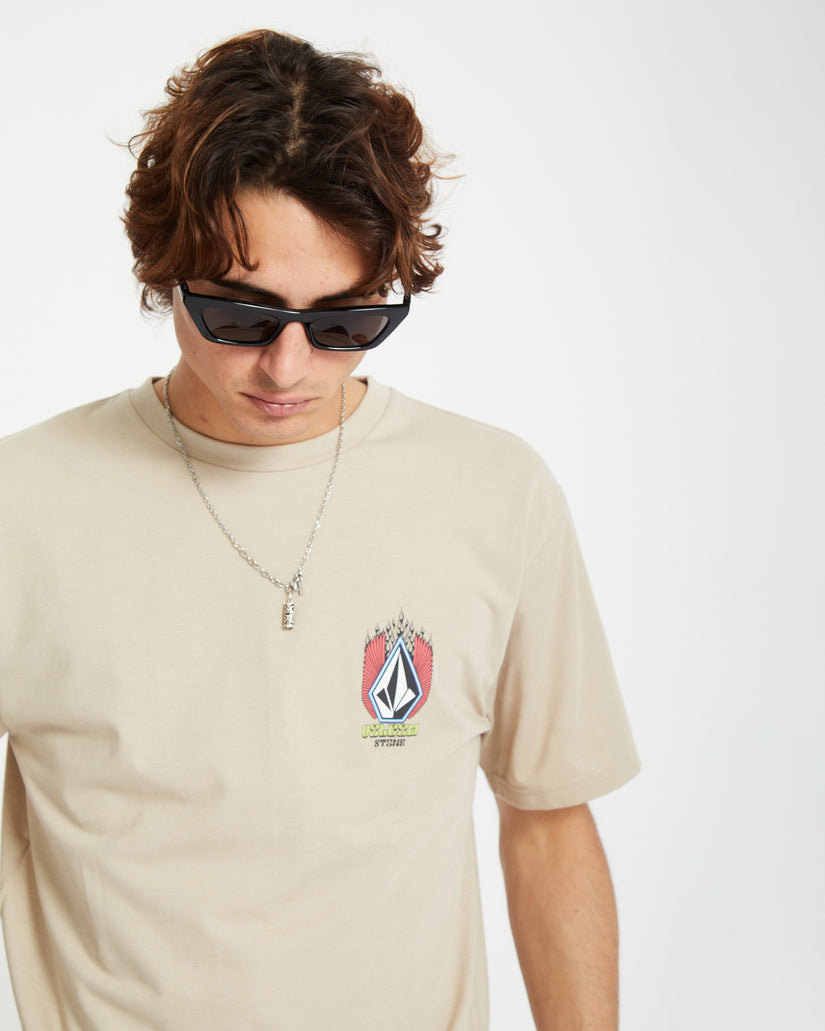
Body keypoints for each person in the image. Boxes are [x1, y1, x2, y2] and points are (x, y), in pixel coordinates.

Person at [0, 29, 639, 1031]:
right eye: (242, 316)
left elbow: (548, 824)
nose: (288, 367)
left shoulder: (492, 494)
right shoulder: (24, 503)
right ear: (167, 269)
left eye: (343, 323)